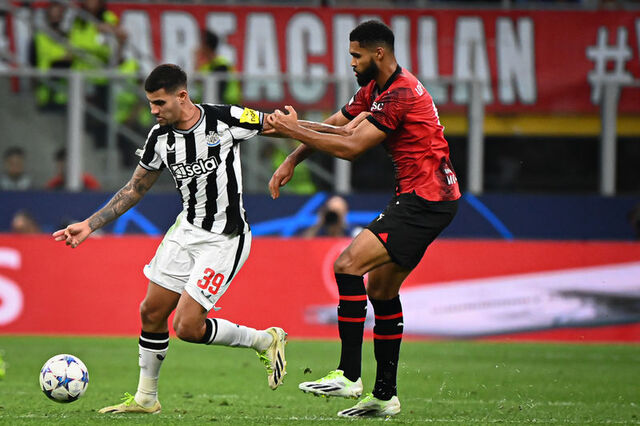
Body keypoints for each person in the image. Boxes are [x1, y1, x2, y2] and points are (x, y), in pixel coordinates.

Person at [52, 64, 291, 414]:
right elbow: (135, 188)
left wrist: (336, 131)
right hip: (186, 231)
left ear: (182, 96)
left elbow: (279, 125)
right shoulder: (159, 138)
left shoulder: (225, 118)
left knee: (188, 327)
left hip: (225, 238)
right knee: (151, 312)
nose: (153, 110)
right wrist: (90, 224)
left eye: (159, 103)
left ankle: (264, 340)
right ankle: (146, 398)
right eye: (150, 103)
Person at [268, 20, 461, 418]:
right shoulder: (376, 89)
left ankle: (348, 375)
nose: (352, 62)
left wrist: (292, 129)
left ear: (379, 53)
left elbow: (352, 147)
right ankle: (385, 396)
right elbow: (336, 126)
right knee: (382, 291)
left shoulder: (400, 93)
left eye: (356, 55)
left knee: (347, 265)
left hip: (425, 199)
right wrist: (292, 155)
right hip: (425, 198)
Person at [28, 1, 72, 111]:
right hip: (44, 95)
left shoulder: (68, 39)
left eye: (58, 15)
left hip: (63, 98)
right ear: (47, 17)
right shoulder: (38, 38)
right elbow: (32, 64)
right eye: (53, 15)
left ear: (62, 17)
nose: (55, 19)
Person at [194, 30, 242, 105]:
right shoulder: (206, 66)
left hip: (227, 107)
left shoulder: (221, 65)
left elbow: (219, 94)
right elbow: (196, 82)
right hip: (211, 106)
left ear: (206, 47)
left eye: (201, 44)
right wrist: (196, 60)